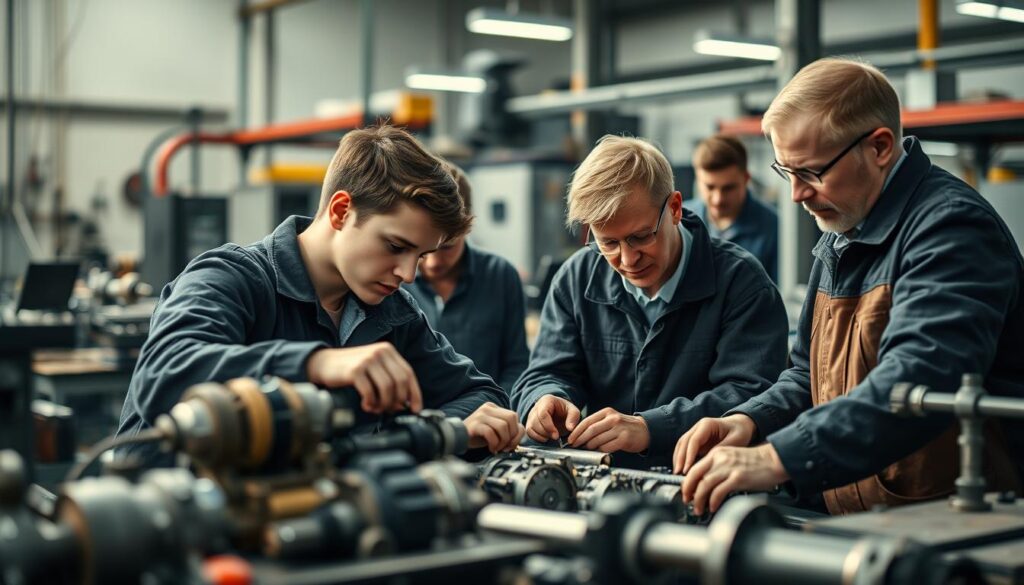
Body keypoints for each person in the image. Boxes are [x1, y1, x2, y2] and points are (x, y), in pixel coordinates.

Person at [674, 57, 1024, 517]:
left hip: (957, 526)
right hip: (868, 519)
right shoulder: (843, 231)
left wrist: (777, 457)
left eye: (810, 173)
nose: (796, 194)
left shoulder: (952, 228)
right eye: (787, 173)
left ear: (879, 147)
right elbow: (807, 375)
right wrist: (748, 421)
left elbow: (916, 380)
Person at [117, 125, 524, 466]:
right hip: (144, 525)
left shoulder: (391, 314)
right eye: (396, 246)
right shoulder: (231, 277)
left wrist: (440, 432)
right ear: (341, 211)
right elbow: (164, 376)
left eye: (422, 255)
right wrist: (317, 363)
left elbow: (480, 395)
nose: (409, 274)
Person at [511, 135, 789, 469]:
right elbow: (545, 370)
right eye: (608, 243)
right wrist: (543, 398)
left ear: (674, 208)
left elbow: (752, 396)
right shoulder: (577, 277)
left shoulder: (742, 283)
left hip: (706, 482)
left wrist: (651, 428)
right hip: (601, 481)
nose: (627, 259)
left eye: (641, 237)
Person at [404, 165, 529, 394]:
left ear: (468, 225)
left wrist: (498, 407)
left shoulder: (500, 276)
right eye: (424, 250)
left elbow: (517, 363)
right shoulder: (395, 281)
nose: (432, 263)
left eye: (448, 248)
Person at [685, 134, 778, 281]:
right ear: (697, 178)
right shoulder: (680, 220)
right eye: (710, 187)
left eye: (728, 188)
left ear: (746, 179)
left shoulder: (775, 228)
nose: (718, 199)